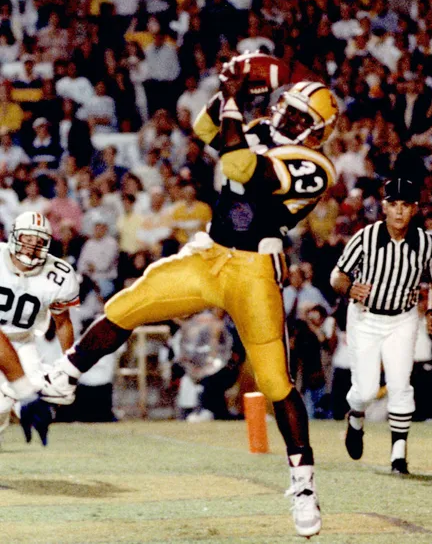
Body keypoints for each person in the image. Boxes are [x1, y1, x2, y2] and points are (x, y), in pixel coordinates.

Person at [41, 58, 339, 538]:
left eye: (302, 118)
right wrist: (227, 92)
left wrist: (235, 102)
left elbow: (239, 165)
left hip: (254, 270)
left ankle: (303, 484)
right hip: (209, 254)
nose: (288, 118)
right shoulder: (257, 128)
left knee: (274, 380)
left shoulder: (315, 166)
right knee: (130, 303)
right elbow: (203, 127)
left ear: (317, 131)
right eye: (288, 108)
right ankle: (67, 372)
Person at [330, 177, 432, 475]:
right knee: (366, 389)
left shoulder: (424, 242)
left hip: (403, 318)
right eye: (394, 204)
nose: (399, 211)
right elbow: (337, 275)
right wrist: (349, 287)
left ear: (414, 209)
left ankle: (399, 456)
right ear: (384, 207)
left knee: (400, 384)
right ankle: (356, 417)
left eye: (405, 205)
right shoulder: (366, 237)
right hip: (366, 318)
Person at [0, 211, 80, 445]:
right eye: (27, 239)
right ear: (14, 237)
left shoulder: (59, 274)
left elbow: (62, 322)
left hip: (22, 341)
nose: (31, 246)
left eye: (39, 241)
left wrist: (69, 366)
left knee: (17, 399)